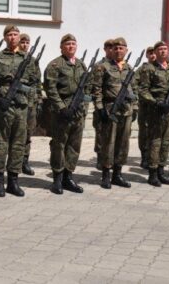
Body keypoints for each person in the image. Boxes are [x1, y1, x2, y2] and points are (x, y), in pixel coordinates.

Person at [0, 25, 37, 197]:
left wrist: (31, 103)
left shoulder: (28, 59)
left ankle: (13, 181)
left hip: (22, 106)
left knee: (19, 144)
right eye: (9, 35)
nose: (12, 37)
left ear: (19, 37)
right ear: (5, 38)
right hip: (3, 105)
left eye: (15, 34)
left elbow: (34, 82)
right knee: (1, 142)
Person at [43, 34, 88, 194]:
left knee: (74, 146)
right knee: (59, 145)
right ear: (61, 47)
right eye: (67, 44)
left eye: (73, 44)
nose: (71, 46)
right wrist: (62, 108)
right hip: (61, 114)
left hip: (78, 113)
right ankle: (57, 179)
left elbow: (86, 89)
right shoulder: (55, 65)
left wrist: (83, 107)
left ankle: (68, 177)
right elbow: (51, 89)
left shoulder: (81, 65)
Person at [92, 37, 138, 189]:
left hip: (126, 111)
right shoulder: (103, 67)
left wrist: (135, 108)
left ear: (126, 50)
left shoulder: (129, 68)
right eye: (116, 48)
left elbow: (135, 90)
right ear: (112, 50)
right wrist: (100, 109)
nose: (118, 50)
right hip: (110, 109)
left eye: (121, 48)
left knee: (123, 144)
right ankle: (106, 175)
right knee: (108, 143)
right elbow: (96, 90)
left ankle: (117, 175)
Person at [138, 41, 169, 187]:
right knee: (155, 142)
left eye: (165, 49)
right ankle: (152, 174)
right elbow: (143, 90)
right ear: (155, 52)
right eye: (160, 49)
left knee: (167, 142)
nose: (163, 51)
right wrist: (155, 102)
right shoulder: (149, 69)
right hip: (155, 111)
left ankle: (161, 172)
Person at [19, 33, 42, 176]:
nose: (25, 45)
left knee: (28, 134)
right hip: (17, 102)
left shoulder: (33, 61)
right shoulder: (14, 59)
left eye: (27, 42)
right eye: (22, 42)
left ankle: (24, 162)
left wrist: (39, 100)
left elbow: (38, 81)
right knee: (15, 134)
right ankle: (13, 160)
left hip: (31, 102)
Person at [92, 39, 114, 170]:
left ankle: (110, 159)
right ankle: (100, 158)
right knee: (101, 133)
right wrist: (99, 106)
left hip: (114, 107)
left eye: (114, 47)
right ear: (105, 49)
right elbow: (95, 87)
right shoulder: (99, 65)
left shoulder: (118, 65)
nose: (112, 50)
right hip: (102, 105)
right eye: (109, 47)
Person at [136, 46, 156, 170]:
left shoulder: (162, 68)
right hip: (145, 106)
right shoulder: (141, 69)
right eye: (150, 53)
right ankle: (144, 156)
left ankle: (153, 158)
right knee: (144, 132)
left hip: (158, 107)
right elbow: (134, 84)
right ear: (147, 55)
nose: (153, 55)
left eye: (154, 53)